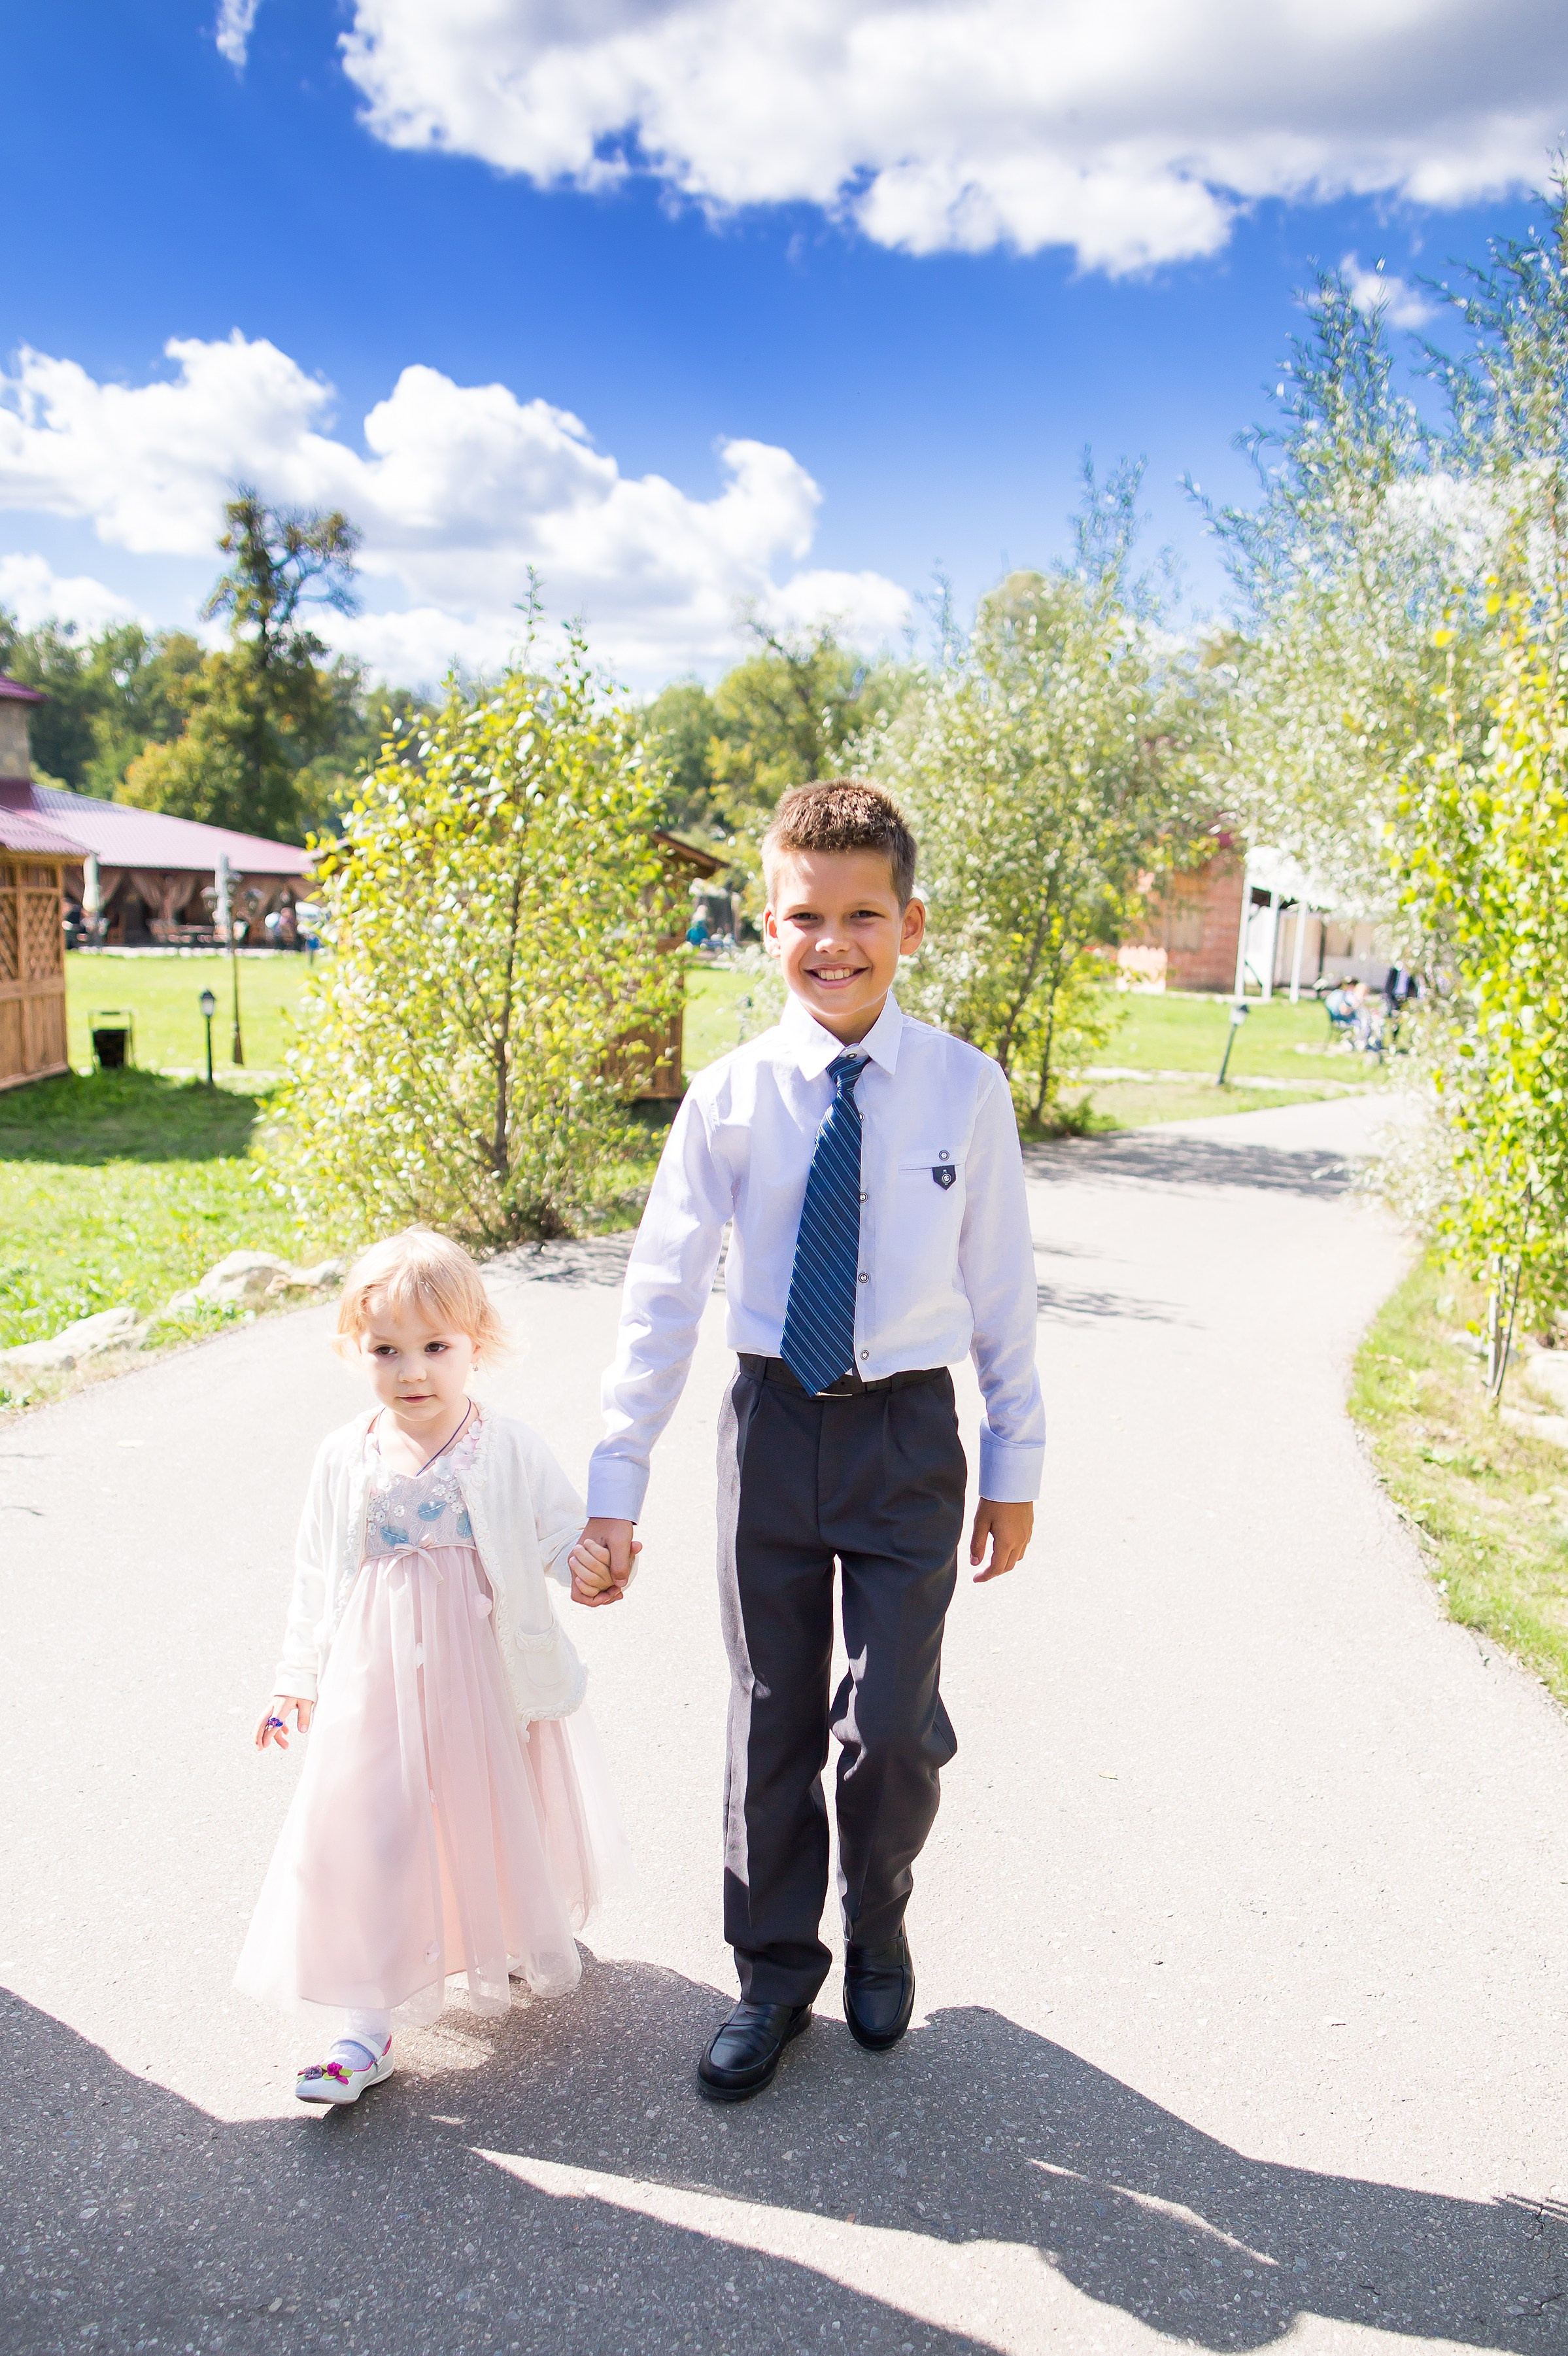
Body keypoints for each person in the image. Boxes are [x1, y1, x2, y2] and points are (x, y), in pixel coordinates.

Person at [572, 778, 1044, 2102]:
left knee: (886, 1723)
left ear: (908, 923)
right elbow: (661, 1296)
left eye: (860, 915)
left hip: (904, 1432)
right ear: (762, 923)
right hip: (771, 1421)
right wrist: (617, 1481)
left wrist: (1014, 1460)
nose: (830, 942)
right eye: (802, 916)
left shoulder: (963, 1089)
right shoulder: (728, 1098)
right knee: (770, 1713)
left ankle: (876, 1912)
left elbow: (1001, 1286)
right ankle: (773, 1972)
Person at [235, 1228, 632, 2105]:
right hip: (372, 1688)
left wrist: (586, 1563)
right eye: (386, 1349)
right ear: (355, 1350)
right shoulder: (347, 1456)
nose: (412, 1369)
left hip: (483, 1678)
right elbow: (314, 1574)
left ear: (476, 1344)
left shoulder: (505, 1446)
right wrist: (293, 1677)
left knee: (493, 1811)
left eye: (435, 1346)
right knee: (371, 1830)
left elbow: (558, 1530)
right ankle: (363, 2023)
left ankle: (511, 1930)